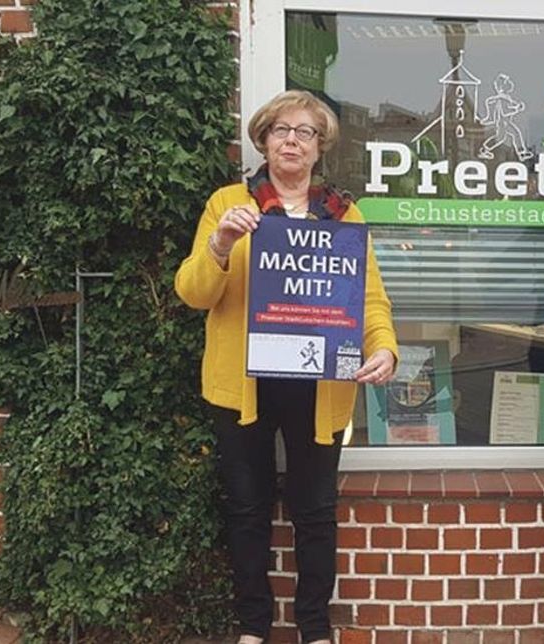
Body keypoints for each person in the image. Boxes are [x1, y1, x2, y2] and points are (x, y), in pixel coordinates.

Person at [175, 90, 398, 644]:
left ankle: (314, 629)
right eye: (280, 130)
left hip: (320, 385)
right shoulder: (229, 202)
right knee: (246, 510)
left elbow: (369, 298)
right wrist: (221, 244)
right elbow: (193, 293)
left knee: (316, 512)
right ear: (263, 140)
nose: (292, 140)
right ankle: (253, 626)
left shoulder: (344, 214)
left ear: (320, 147)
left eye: (305, 132)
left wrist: (385, 347)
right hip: (243, 385)